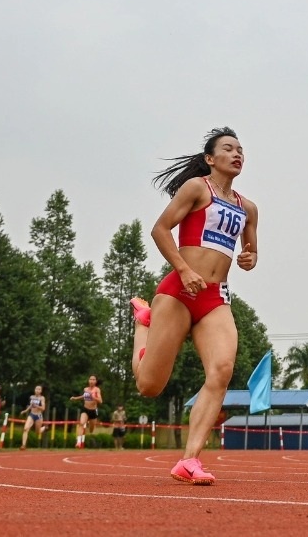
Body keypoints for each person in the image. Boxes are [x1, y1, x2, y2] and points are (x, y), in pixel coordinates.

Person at [128, 127, 259, 485]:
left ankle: (189, 460)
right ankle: (144, 324)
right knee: (149, 387)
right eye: (229, 149)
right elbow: (160, 229)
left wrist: (250, 259)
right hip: (179, 291)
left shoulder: (247, 208)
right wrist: (183, 270)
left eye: (241, 150)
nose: (237, 154)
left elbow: (250, 251)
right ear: (210, 158)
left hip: (216, 298)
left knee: (222, 369)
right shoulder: (196, 188)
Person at [70, 376, 102, 448]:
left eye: (93, 379)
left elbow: (100, 401)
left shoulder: (97, 390)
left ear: (96, 381)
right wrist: (75, 398)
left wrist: (93, 396)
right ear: (88, 380)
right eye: (90, 379)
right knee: (81, 423)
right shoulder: (86, 389)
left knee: (91, 429)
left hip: (93, 411)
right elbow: (84, 396)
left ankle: (89, 424)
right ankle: (78, 442)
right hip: (85, 409)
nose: (91, 381)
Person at [19, 385, 46, 450]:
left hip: (38, 416)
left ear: (41, 391)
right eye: (36, 389)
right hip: (31, 414)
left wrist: (36, 406)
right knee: (25, 429)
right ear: (34, 390)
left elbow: (43, 408)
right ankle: (23, 445)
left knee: (37, 432)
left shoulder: (42, 398)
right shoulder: (32, 397)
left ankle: (44, 427)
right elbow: (30, 405)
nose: (37, 390)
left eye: (39, 389)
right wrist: (25, 411)